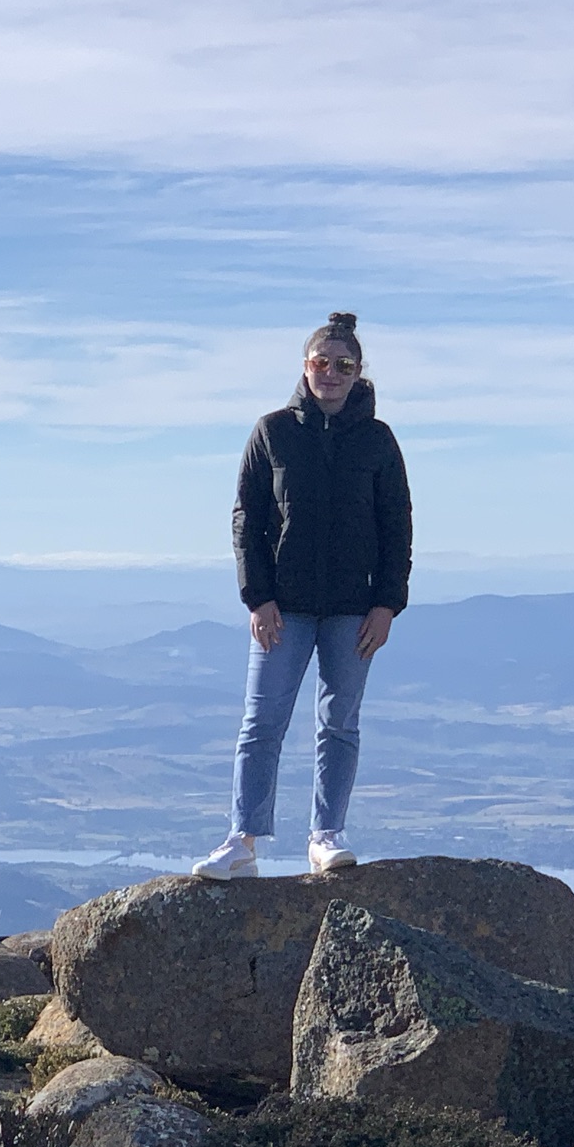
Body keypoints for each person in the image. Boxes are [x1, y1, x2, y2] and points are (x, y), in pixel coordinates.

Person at [194, 312, 412, 880]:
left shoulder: (378, 440)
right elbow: (247, 520)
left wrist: (387, 603)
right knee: (261, 722)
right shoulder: (272, 432)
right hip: (283, 606)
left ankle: (326, 835)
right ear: (305, 366)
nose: (332, 374)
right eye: (323, 363)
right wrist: (256, 597)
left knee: (339, 723)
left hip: (353, 610)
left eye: (345, 365)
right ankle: (242, 840)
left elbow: (397, 524)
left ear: (359, 371)